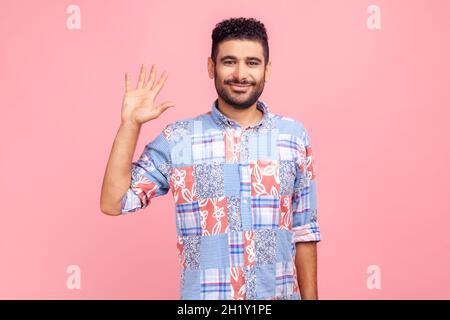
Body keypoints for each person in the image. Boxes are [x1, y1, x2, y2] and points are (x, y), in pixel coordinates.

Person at [100, 17, 321, 300]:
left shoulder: (293, 136)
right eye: (229, 61)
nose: (241, 74)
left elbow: (304, 232)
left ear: (266, 69)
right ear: (211, 67)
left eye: (252, 63)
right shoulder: (178, 139)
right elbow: (113, 201)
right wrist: (130, 124)